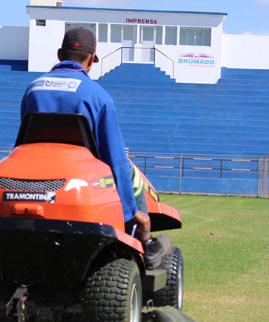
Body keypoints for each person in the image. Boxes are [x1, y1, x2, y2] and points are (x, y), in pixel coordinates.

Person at [20, 27, 170, 269]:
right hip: (80, 172)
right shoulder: (97, 96)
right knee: (130, 171)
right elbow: (114, 156)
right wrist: (130, 209)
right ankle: (144, 238)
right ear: (91, 60)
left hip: (35, 169)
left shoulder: (33, 89)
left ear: (59, 54)